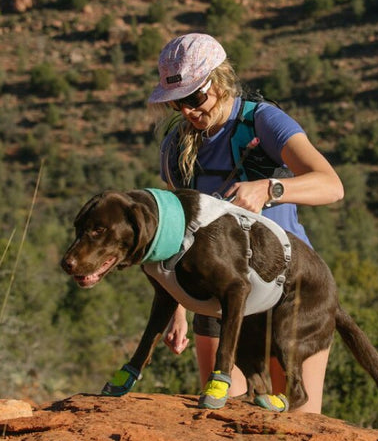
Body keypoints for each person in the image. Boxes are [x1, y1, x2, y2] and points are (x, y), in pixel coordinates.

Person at [146, 32, 344, 414]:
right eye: (177, 103)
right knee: (224, 415)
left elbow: (332, 185)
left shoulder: (262, 121)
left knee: (299, 421)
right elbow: (178, 236)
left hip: (291, 289)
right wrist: (179, 309)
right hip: (218, 296)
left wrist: (270, 189)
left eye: (194, 97)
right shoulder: (175, 147)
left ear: (219, 81)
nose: (187, 111)